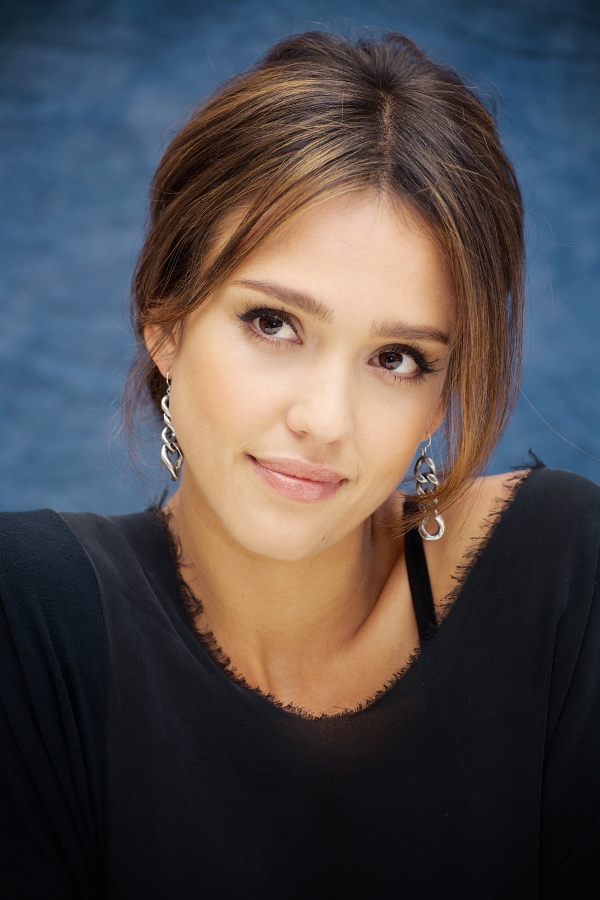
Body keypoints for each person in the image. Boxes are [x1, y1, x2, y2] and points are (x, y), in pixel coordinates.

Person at [0, 31, 598, 900]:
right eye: (273, 323)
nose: (324, 420)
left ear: (441, 398)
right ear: (164, 321)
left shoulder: (561, 575)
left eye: (397, 358)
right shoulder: (29, 613)